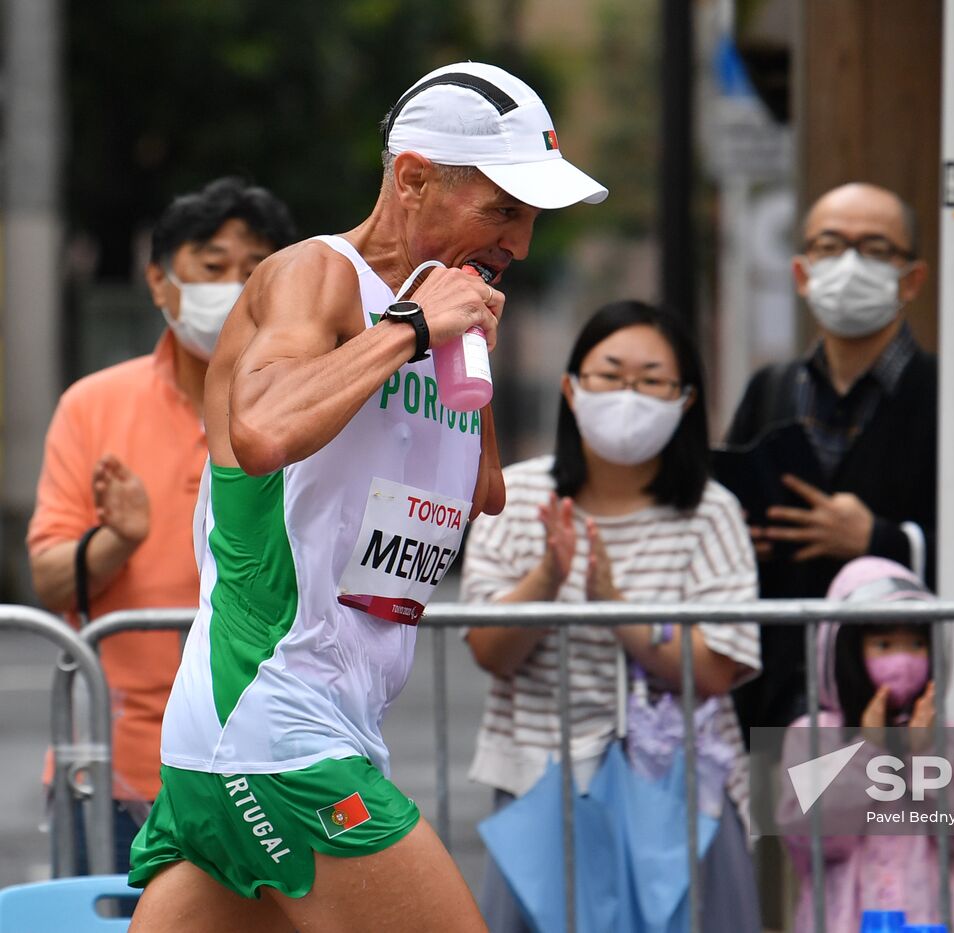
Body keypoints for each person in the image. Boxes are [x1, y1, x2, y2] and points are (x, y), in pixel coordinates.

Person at [126, 62, 606, 933]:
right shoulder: (316, 276)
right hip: (275, 721)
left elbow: (483, 493)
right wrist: (412, 330)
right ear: (414, 176)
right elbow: (263, 428)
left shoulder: (432, 309)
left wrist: (459, 346)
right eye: (503, 210)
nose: (522, 243)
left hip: (293, 729)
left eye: (531, 218)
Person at [462, 300, 763, 933]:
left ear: (685, 400)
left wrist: (616, 607)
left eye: (653, 379)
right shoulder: (513, 498)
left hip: (683, 799)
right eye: (610, 374)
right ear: (571, 388)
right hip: (538, 792)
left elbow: (714, 670)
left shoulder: (712, 512)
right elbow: (490, 652)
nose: (630, 394)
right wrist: (548, 578)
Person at [28, 176, 296, 875]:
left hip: (272, 765)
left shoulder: (307, 413)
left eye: (255, 269)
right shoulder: (93, 404)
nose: (234, 287)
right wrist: (117, 539)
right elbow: (50, 578)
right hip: (118, 774)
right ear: (159, 281)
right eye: (213, 267)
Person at [723, 181, 954, 733]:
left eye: (875, 249)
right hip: (777, 707)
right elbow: (721, 527)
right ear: (801, 273)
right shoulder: (770, 391)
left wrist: (880, 542)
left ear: (911, 279)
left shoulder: (952, 402)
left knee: (898, 824)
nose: (849, 264)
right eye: (830, 245)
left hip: (908, 723)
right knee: (784, 821)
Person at [776, 556, 954, 932]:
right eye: (883, 644)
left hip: (934, 915)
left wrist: (926, 755)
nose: (903, 660)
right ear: (846, 651)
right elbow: (811, 837)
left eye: (916, 644)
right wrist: (867, 752)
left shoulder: (942, 732)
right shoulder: (815, 733)